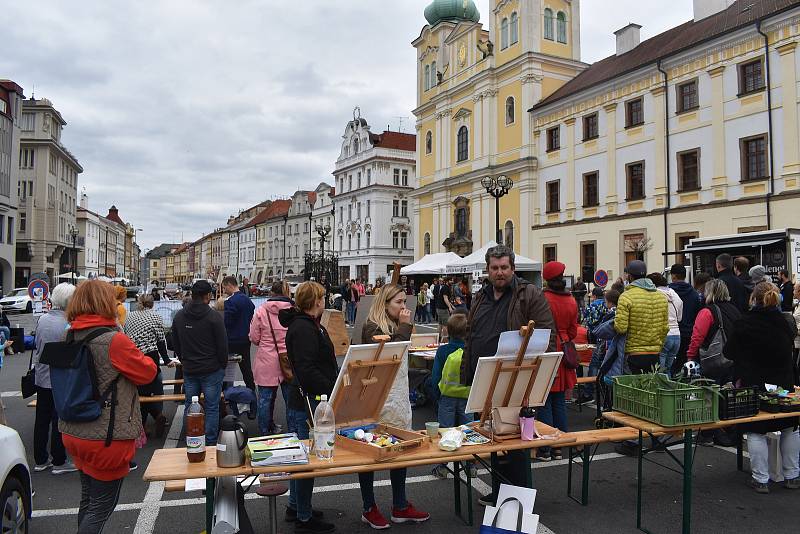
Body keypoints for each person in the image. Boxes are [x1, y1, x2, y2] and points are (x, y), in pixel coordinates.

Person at [460, 245, 556, 505]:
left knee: (515, 442)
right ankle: (500, 490)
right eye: (494, 268)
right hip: (485, 377)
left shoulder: (530, 294)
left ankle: (518, 497)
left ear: (512, 268)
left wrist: (533, 378)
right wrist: (467, 373)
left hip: (515, 378)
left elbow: (547, 336)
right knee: (492, 439)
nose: (499, 272)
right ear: (488, 270)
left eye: (504, 267)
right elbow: (471, 335)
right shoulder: (481, 296)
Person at [60, 280, 157, 533]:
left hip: (74, 429)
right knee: (102, 507)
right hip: (106, 435)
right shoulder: (114, 340)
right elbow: (147, 373)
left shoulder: (69, 334)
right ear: (106, 304)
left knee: (89, 501)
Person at [358, 284, 430, 528]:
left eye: (404, 302)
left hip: (397, 396)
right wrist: (405, 327)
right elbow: (391, 354)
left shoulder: (394, 324)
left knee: (400, 449)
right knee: (370, 453)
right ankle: (369, 507)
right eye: (399, 302)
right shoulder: (372, 327)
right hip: (375, 397)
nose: (404, 307)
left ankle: (400, 505)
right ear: (385, 303)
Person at [724, 282, 800, 492]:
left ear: (753, 299)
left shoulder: (744, 322)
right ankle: (792, 475)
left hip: (753, 382)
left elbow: (729, 352)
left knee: (755, 429)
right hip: (783, 382)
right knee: (789, 426)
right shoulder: (786, 321)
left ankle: (761, 478)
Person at [278, 281, 338, 533]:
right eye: (323, 297)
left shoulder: (307, 324)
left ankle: (296, 506)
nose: (325, 301)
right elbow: (306, 369)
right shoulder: (303, 328)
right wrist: (331, 388)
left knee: (302, 458)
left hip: (306, 399)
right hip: (308, 401)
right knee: (306, 460)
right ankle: (303, 516)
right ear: (316, 301)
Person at [171, 280, 228, 447]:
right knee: (211, 407)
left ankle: (190, 438)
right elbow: (222, 345)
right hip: (211, 368)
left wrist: (184, 359)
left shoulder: (180, 316)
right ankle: (210, 442)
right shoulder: (214, 317)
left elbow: (176, 343)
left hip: (190, 368)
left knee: (190, 405)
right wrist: (221, 365)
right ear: (208, 296)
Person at [686, 278, 741, 447]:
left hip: (712, 361)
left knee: (708, 396)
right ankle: (728, 432)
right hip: (732, 360)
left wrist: (690, 356)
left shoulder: (707, 312)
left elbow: (697, 337)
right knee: (728, 396)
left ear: (710, 293)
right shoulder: (735, 310)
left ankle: (708, 433)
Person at [31, 283, 79, 475]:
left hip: (41, 375)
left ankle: (40, 459)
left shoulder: (42, 319)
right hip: (60, 379)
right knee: (59, 419)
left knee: (41, 418)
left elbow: (37, 344)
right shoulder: (68, 324)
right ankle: (59, 460)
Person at [540, 261, 578, 461]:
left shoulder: (543, 299)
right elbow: (573, 331)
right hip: (563, 349)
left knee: (544, 400)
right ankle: (559, 446)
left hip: (547, 348)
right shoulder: (571, 300)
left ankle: (546, 446)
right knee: (560, 402)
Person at [430, 312, 472, 479]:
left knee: (445, 431)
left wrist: (437, 394)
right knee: (467, 430)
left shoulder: (443, 351)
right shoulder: (471, 350)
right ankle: (471, 465)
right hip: (467, 396)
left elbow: (435, 377)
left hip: (447, 396)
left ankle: (443, 466)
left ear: (447, 330)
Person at [249, 280, 293, 435]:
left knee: (265, 400)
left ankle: (264, 432)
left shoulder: (261, 311)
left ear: (271, 293)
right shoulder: (293, 310)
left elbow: (254, 337)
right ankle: (293, 433)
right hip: (288, 360)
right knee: (291, 401)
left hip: (266, 361)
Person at [123, 295, 169, 438]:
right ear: (152, 304)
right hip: (150, 356)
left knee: (139, 391)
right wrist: (166, 359)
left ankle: (143, 425)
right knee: (148, 391)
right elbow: (161, 341)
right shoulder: (155, 317)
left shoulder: (130, 316)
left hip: (133, 355)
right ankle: (156, 416)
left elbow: (125, 334)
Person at [614, 260, 668, 374]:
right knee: (650, 390)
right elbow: (665, 328)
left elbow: (621, 328)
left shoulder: (626, 296)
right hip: (655, 354)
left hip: (634, 354)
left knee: (633, 389)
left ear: (629, 276)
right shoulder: (661, 297)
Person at [222, 275, 257, 414]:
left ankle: (226, 399)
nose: (224, 290)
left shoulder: (230, 302)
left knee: (227, 370)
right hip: (245, 339)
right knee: (246, 369)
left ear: (230, 285)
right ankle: (252, 398)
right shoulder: (247, 300)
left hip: (231, 340)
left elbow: (228, 322)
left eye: (224, 287)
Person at [669, 264, 702, 373]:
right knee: (686, 366)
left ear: (673, 276)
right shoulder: (694, 294)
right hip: (689, 334)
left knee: (669, 366)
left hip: (671, 333)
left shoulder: (668, 293)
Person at [648, 273, 683, 374]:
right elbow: (679, 318)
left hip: (663, 334)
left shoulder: (655, 294)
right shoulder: (674, 293)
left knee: (659, 373)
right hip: (677, 335)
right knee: (668, 371)